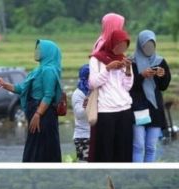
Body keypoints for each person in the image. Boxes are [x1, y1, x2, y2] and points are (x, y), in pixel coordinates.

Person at [0, 39, 63, 162]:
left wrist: (38, 114)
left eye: (39, 49)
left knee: (43, 149)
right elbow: (22, 88)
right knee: (33, 148)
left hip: (44, 115)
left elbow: (48, 95)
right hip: (37, 113)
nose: (36, 52)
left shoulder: (48, 70)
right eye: (36, 49)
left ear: (48, 52)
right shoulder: (37, 70)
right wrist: (4, 84)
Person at [88, 29, 134, 162]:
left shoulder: (124, 59)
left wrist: (128, 70)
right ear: (112, 43)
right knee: (106, 150)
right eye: (120, 45)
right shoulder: (97, 59)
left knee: (124, 150)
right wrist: (108, 69)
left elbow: (127, 86)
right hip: (106, 111)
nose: (122, 48)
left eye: (125, 46)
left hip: (125, 109)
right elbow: (93, 83)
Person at [130, 30, 171, 162]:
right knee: (138, 145)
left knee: (151, 147)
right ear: (140, 46)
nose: (149, 49)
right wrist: (141, 76)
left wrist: (162, 75)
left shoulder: (160, 61)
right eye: (146, 46)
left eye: (151, 46)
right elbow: (127, 85)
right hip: (138, 108)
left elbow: (163, 86)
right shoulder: (131, 62)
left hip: (155, 110)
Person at [72, 64, 91, 161]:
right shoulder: (78, 93)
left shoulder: (94, 91)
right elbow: (79, 114)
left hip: (94, 134)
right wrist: (87, 105)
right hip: (83, 136)